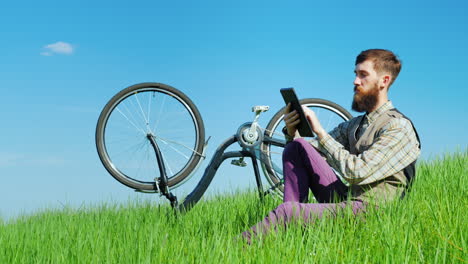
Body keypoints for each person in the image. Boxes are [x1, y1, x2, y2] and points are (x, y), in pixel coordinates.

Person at [241, 49, 421, 243]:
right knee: (297, 147)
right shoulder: (355, 125)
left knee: (287, 213)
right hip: (348, 201)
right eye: (355, 74)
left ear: (384, 81)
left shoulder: (398, 127)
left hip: (373, 212)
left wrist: (320, 132)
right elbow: (312, 155)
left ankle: (235, 249)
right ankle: (293, 232)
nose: (355, 81)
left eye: (363, 75)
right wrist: (292, 133)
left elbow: (357, 172)